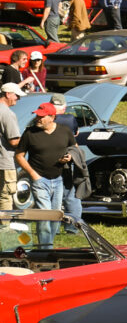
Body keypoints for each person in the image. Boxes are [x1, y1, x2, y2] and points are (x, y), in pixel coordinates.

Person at [16, 102, 76, 247]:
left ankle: (49, 245)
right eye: (37, 115)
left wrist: (70, 157)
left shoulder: (65, 131)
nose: (38, 118)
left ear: (52, 117)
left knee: (55, 215)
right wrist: (33, 174)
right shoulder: (30, 133)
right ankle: (46, 250)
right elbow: (19, 155)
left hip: (58, 179)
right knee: (44, 215)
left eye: (41, 116)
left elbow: (75, 149)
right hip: (39, 180)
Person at [0, 84, 20, 210]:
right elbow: (13, 141)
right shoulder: (7, 113)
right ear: (8, 94)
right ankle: (4, 227)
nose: (18, 98)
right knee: (6, 196)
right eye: (16, 95)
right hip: (4, 160)